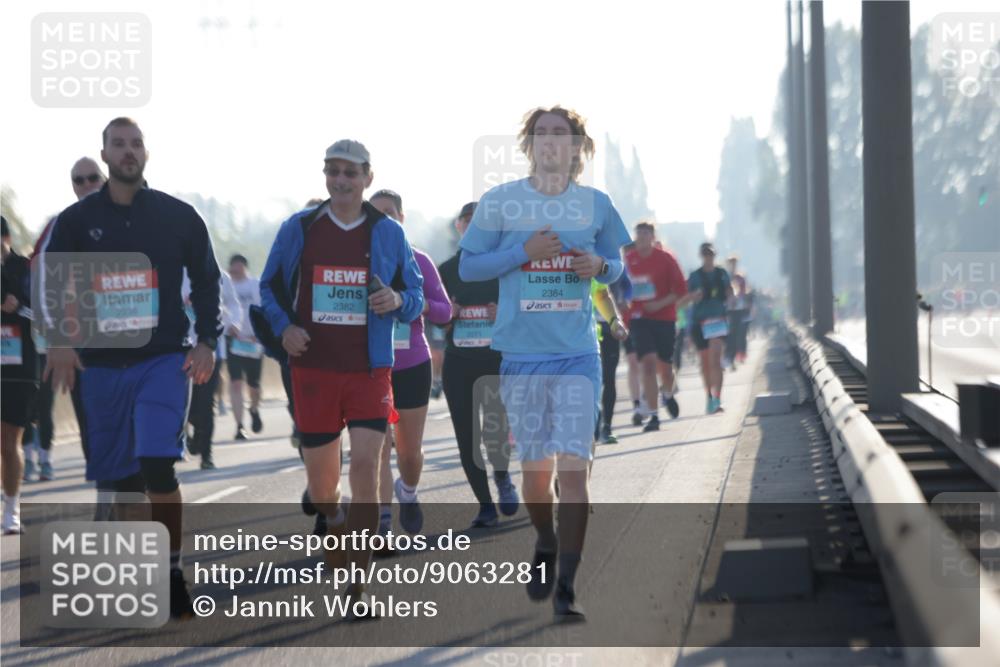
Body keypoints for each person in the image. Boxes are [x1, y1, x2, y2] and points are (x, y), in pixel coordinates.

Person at [40, 117, 221, 617]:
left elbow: (208, 283)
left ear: (146, 153)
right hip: (100, 367)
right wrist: (57, 340)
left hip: (163, 358)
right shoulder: (75, 222)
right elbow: (56, 285)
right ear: (104, 155)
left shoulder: (178, 217)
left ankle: (171, 572)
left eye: (135, 143)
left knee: (157, 464)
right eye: (118, 144)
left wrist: (206, 341)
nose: (127, 151)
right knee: (122, 479)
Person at [459, 106, 631, 618]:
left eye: (562, 134)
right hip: (523, 354)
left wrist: (599, 265)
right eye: (542, 134)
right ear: (529, 144)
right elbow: (469, 267)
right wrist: (523, 252)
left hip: (579, 352)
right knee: (537, 476)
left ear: (578, 146)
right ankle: (544, 537)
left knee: (575, 474)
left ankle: (568, 588)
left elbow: (615, 264)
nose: (552, 141)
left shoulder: (596, 204)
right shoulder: (501, 202)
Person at [259, 139, 423, 613]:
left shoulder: (388, 232)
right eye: (333, 171)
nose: (340, 180)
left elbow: (412, 292)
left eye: (350, 172)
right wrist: (285, 326)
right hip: (312, 369)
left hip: (369, 370)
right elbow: (269, 286)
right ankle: (333, 518)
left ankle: (358, 589)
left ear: (367, 178)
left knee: (367, 468)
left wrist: (396, 302)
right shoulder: (301, 227)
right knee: (327, 490)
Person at [369, 189, 452, 537]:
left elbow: (446, 311)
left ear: (401, 219)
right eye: (375, 215)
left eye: (389, 213)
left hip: (411, 364)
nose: (383, 220)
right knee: (377, 447)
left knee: (408, 452)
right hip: (372, 366)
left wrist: (416, 305)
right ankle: (384, 521)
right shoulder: (359, 262)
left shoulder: (419, 259)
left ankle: (410, 491)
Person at [22, 158, 107, 484]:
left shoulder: (136, 216)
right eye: (79, 180)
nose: (86, 185)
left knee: (135, 428)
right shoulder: (61, 223)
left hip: (136, 343)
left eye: (92, 178)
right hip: (82, 343)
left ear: (105, 178)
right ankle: (109, 501)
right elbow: (38, 279)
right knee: (92, 423)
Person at [438, 201, 519, 528]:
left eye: (479, 221)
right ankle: (485, 506)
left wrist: (503, 314)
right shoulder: (445, 270)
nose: (472, 226)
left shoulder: (503, 269)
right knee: (466, 436)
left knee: (495, 428)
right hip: (458, 363)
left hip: (495, 361)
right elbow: (432, 316)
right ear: (458, 228)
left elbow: (523, 312)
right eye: (466, 221)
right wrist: (447, 315)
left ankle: (502, 479)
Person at [624, 222, 687, 431]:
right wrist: (623, 306)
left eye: (645, 234)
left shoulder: (666, 259)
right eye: (638, 234)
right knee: (648, 364)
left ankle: (667, 394)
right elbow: (620, 289)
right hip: (639, 319)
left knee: (666, 369)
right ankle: (653, 415)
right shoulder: (629, 261)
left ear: (652, 236)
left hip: (664, 319)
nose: (641, 237)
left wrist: (658, 304)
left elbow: (680, 290)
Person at [2, 216, 39, 534]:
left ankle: (11, 511)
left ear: (6, 239)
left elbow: (46, 315)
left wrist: (18, 308)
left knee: (8, 440)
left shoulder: (26, 270)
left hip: (18, 367)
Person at [183, 270, 241, 469]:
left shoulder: (218, 275)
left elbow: (233, 304)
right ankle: (194, 431)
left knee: (206, 402)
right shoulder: (170, 265)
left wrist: (232, 322)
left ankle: (207, 454)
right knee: (185, 403)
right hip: (178, 350)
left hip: (210, 350)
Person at [687, 242, 733, 414]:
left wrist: (731, 296)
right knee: (705, 363)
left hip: (718, 321)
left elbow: (729, 291)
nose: (708, 257)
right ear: (701, 256)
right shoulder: (694, 276)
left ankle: (718, 398)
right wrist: (694, 296)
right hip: (700, 322)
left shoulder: (722, 274)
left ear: (715, 255)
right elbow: (687, 296)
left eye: (711, 254)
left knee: (716, 361)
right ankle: (709, 397)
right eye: (705, 254)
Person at [226, 254, 264, 440]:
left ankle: (254, 408)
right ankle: (239, 425)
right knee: (235, 383)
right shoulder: (226, 285)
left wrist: (259, 333)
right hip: (233, 339)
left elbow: (261, 309)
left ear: (245, 267)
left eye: (239, 266)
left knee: (253, 385)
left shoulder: (254, 285)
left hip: (253, 340)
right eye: (233, 267)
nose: (236, 270)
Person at [592, 275, 630, 444]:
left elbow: (627, 285)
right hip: (586, 328)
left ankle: (607, 426)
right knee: (592, 381)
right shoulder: (576, 254)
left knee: (609, 378)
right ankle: (594, 426)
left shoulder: (611, 259)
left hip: (609, 327)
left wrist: (624, 302)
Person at [725, 255, 751, 368]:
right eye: (731, 263)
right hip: (728, 310)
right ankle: (730, 356)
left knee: (739, 333)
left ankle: (737, 354)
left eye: (734, 263)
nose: (733, 265)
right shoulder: (725, 276)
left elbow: (744, 292)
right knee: (729, 334)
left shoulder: (740, 277)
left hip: (739, 309)